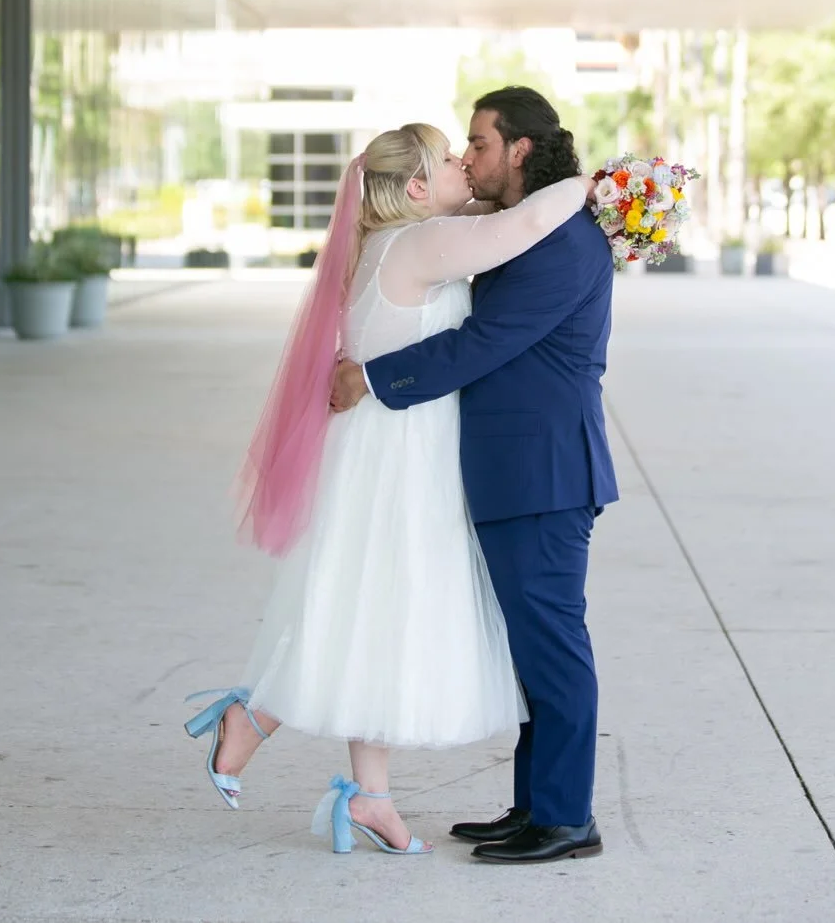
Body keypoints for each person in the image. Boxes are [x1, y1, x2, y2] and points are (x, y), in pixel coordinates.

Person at [184, 121, 592, 857]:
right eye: (447, 157)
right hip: (400, 455)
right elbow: (525, 221)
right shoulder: (420, 245)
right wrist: (602, 185)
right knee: (368, 608)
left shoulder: (389, 240)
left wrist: (477, 187)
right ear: (413, 185)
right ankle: (254, 717)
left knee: (374, 612)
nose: (463, 164)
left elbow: (484, 213)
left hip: (384, 448)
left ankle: (369, 793)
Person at [331, 87, 617, 865]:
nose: (470, 156)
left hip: (546, 473)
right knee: (533, 651)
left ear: (520, 148)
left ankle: (566, 818)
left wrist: (373, 377)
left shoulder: (563, 241)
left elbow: (483, 342)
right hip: (515, 472)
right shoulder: (519, 229)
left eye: (480, 143)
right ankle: (534, 806)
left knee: (554, 647)